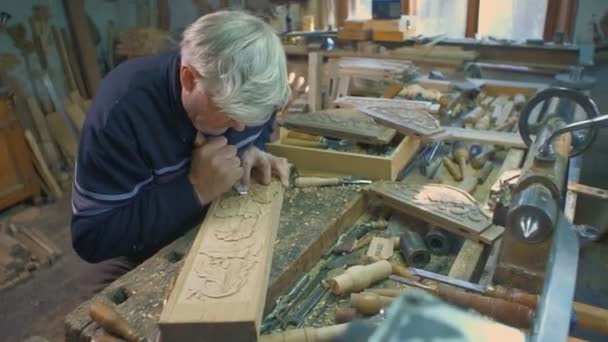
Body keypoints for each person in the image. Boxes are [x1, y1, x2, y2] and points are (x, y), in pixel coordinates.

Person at [71, 11, 291, 292]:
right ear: (188, 79)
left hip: (216, 222)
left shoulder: (248, 106)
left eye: (251, 117)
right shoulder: (122, 110)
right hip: (141, 247)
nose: (240, 127)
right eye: (230, 111)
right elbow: (92, 237)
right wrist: (193, 189)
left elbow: (259, 125)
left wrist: (252, 148)